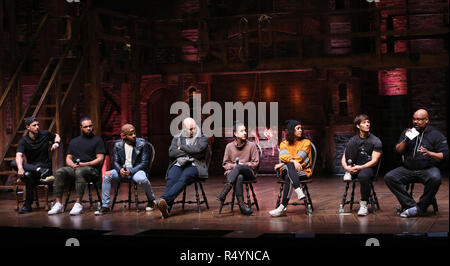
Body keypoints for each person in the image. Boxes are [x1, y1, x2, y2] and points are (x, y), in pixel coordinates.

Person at [384, 109, 448, 218]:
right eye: (414, 119)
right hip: (408, 169)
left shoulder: (435, 134)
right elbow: (398, 151)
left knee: (435, 178)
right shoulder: (409, 132)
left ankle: (420, 207)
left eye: (419, 119)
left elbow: (444, 155)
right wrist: (405, 139)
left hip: (427, 169)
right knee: (390, 177)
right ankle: (413, 207)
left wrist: (429, 153)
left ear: (426, 120)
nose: (415, 122)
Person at [47, 117, 105, 215]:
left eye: (90, 126)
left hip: (92, 170)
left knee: (80, 171)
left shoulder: (98, 140)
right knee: (59, 172)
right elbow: (68, 158)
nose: (88, 128)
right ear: (81, 128)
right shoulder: (74, 141)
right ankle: (58, 204)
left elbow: (100, 159)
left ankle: (78, 204)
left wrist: (84, 164)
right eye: (86, 127)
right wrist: (72, 165)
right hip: (76, 168)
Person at [95, 124, 156, 215]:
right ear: (123, 136)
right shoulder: (118, 144)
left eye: (134, 133)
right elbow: (115, 162)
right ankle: (105, 206)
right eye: (131, 134)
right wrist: (120, 170)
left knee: (142, 179)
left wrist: (130, 171)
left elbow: (144, 163)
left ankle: (151, 200)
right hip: (122, 171)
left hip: (136, 170)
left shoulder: (142, 144)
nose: (134, 136)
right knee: (106, 175)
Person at [155, 117, 209, 218]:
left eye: (194, 128)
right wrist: (189, 151)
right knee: (172, 177)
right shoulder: (178, 137)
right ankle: (166, 208)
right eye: (190, 129)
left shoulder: (202, 137)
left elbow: (198, 150)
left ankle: (164, 200)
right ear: (184, 128)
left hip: (195, 164)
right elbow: (172, 153)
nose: (193, 131)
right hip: (180, 163)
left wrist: (182, 147)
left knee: (185, 177)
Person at [11, 117, 61, 214]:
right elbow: (18, 155)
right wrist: (20, 168)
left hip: (45, 168)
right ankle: (37, 169)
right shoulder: (23, 140)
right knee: (14, 163)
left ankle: (27, 205)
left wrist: (56, 143)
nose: (37, 127)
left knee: (28, 175)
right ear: (28, 127)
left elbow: (57, 136)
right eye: (34, 125)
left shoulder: (45, 134)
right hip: (33, 169)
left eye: (38, 125)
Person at [269, 120, 312, 217]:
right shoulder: (284, 144)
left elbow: (301, 157)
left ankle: (282, 207)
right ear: (292, 130)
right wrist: (293, 161)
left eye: (301, 128)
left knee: (289, 175)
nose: (301, 130)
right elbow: (283, 157)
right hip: (288, 170)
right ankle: (298, 189)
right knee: (290, 166)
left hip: (303, 171)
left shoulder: (306, 142)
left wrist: (283, 164)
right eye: (298, 128)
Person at [341, 114, 382, 216]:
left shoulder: (375, 141)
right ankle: (349, 171)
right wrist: (346, 167)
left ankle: (364, 205)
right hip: (353, 167)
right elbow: (344, 157)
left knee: (363, 176)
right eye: (364, 122)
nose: (367, 124)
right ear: (358, 126)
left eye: (368, 122)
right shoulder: (353, 140)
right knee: (351, 143)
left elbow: (375, 161)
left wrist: (361, 167)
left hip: (367, 168)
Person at [218, 121, 260, 215]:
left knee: (240, 168)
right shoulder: (229, 146)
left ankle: (224, 192)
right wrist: (235, 166)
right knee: (239, 176)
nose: (245, 132)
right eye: (242, 131)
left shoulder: (252, 145)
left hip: (248, 173)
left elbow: (255, 163)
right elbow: (225, 164)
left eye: (245, 130)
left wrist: (242, 165)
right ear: (235, 133)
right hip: (235, 175)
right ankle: (242, 207)